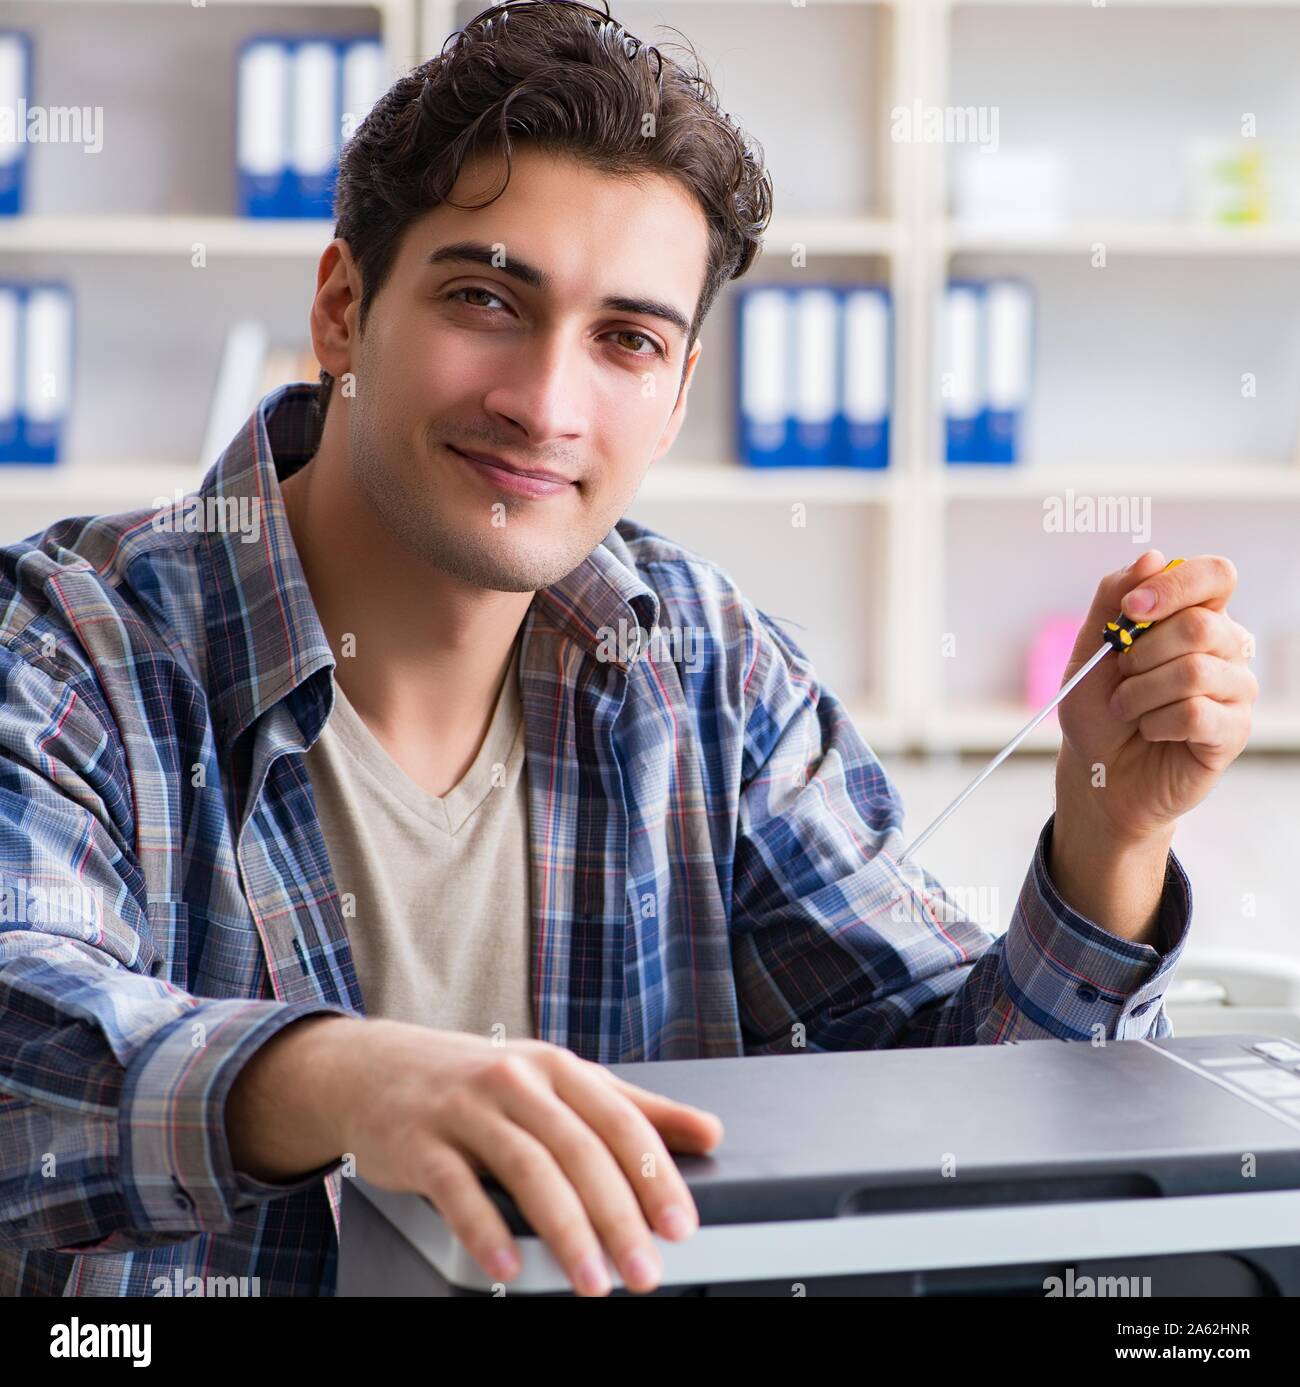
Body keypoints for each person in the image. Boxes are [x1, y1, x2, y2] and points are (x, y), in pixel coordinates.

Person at [0, 0, 1257, 1298]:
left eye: (626, 341)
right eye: (486, 298)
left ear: (675, 397)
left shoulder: (707, 668)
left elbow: (959, 1120)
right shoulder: (68, 650)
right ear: (340, 307)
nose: (546, 404)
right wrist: (342, 1078)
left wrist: (1112, 832)